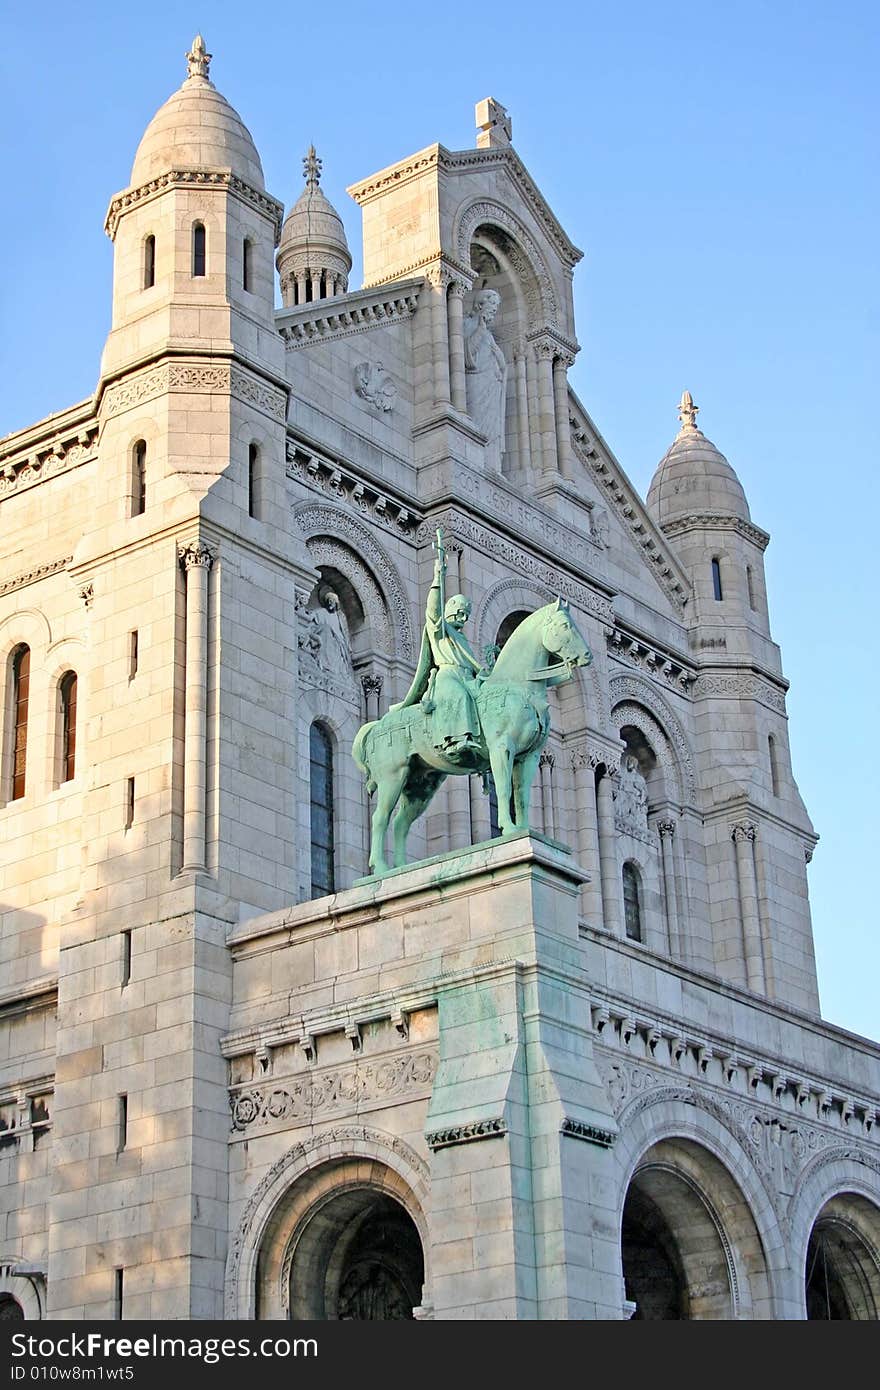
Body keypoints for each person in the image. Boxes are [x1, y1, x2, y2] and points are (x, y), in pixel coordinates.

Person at [397, 537, 487, 758]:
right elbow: (433, 611)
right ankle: (455, 741)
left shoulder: (461, 637)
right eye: (460, 612)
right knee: (458, 696)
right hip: (448, 677)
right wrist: (438, 577)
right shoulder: (440, 629)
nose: (463, 617)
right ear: (451, 610)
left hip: (468, 677)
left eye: (466, 615)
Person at [463, 288, 507, 469]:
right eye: (492, 306)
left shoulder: (490, 336)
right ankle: (475, 459)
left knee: (493, 428)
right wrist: (480, 330)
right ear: (480, 304)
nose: (494, 311)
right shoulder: (467, 324)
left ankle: (492, 465)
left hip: (492, 387)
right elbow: (466, 355)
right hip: (475, 383)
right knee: (477, 423)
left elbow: (500, 364)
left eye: (496, 308)